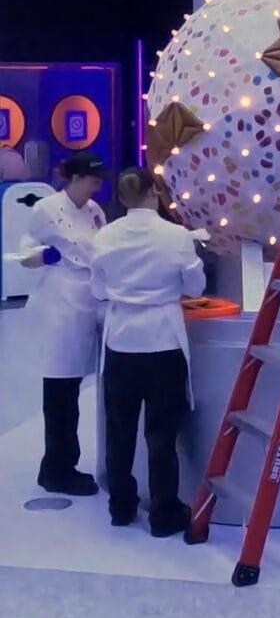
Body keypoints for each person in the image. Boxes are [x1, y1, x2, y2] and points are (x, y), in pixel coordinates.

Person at [90, 167, 205, 537]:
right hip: (163, 342)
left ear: (122, 199)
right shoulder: (176, 236)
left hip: (121, 341)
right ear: (155, 192)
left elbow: (99, 291)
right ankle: (163, 513)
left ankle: (121, 507)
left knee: (119, 429)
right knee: (161, 434)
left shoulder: (104, 236)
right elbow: (194, 286)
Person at [20, 151, 109, 496]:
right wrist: (46, 256)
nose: (97, 186)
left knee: (72, 389)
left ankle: (62, 463)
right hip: (59, 304)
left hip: (88, 302)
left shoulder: (95, 211)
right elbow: (22, 254)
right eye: (92, 180)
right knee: (60, 390)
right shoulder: (46, 209)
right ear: (74, 178)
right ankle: (56, 468)